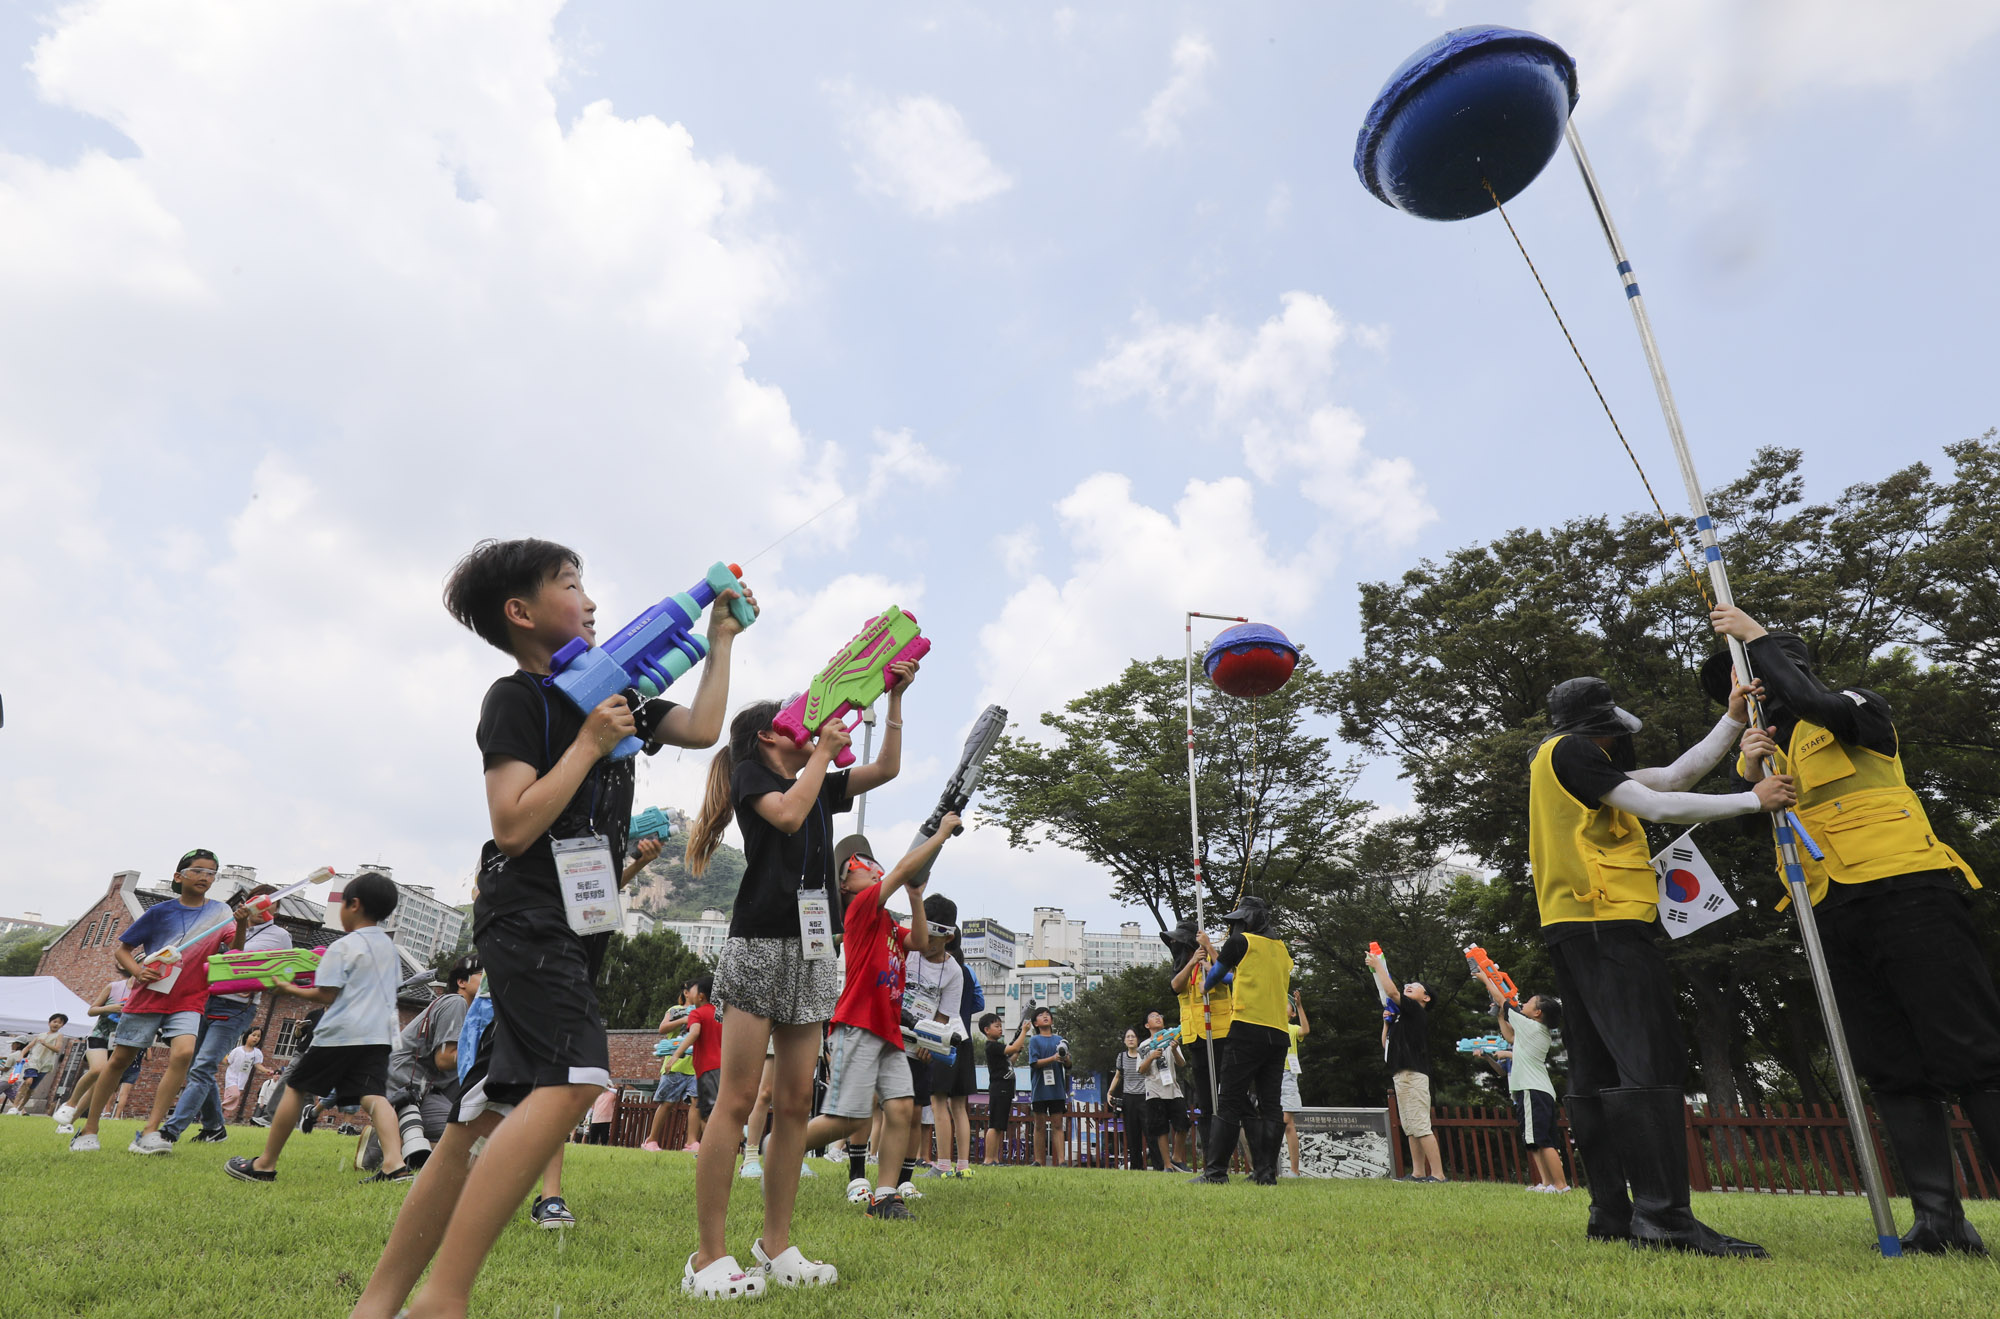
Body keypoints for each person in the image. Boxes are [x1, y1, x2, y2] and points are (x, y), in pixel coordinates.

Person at [346, 539, 751, 1317]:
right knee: (574, 1080)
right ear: (521, 612)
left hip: (577, 923)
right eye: (572, 585)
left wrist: (722, 641)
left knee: (477, 1119)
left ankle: (379, 1302)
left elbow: (702, 727)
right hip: (529, 913)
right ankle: (444, 1300)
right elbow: (512, 823)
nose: (592, 601)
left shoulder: (613, 693)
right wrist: (590, 743)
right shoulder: (519, 698)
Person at [1711, 605, 1999, 1255]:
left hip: (1910, 893)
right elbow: (1752, 824)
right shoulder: (1772, 749)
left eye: (1760, 677)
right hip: (1832, 912)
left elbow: (1817, 700)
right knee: (1892, 1067)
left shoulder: (1854, 704)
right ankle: (1939, 1220)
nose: (1760, 692)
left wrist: (1757, 639)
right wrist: (1749, 765)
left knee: (1975, 1056)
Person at [678, 658, 914, 1299]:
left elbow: (886, 770)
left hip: (814, 952)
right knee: (735, 1101)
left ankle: (775, 1243)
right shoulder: (755, 773)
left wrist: (893, 703)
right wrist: (824, 754)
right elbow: (785, 815)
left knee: (793, 1104)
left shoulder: (817, 777)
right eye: (799, 720)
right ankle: (707, 1256)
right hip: (758, 946)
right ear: (769, 734)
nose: (811, 723)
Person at [1530, 673, 1790, 1257]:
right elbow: (1657, 804)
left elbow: (1674, 777)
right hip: (1609, 923)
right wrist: (1754, 798)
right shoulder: (1574, 752)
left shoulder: (1566, 765)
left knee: (1596, 1069)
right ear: (1601, 726)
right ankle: (1666, 1221)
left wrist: (1729, 719)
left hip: (1574, 926)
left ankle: (1613, 1215)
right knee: (1647, 1060)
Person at [799, 820, 956, 1225]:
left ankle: (885, 1196)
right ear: (845, 884)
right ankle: (780, 1146)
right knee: (848, 1118)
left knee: (902, 1107)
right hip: (857, 1024)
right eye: (859, 862)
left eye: (871, 859)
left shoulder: (886, 920)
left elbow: (920, 942)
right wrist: (938, 837)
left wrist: (916, 896)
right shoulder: (861, 909)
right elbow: (902, 869)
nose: (871, 865)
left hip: (886, 1030)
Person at [224, 871, 406, 1184]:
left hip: (341, 1033)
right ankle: (394, 1165)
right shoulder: (391, 950)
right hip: (378, 1036)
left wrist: (287, 987)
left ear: (354, 905)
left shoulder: (344, 945)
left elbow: (327, 994)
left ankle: (265, 1164)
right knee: (374, 1095)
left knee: (296, 1087)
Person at [72, 849, 253, 1154]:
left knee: (183, 1054)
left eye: (211, 873)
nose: (205, 877)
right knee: (119, 1061)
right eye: (198, 870)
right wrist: (137, 971)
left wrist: (243, 924)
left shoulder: (222, 912)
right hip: (149, 995)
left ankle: (150, 1132)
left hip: (190, 998)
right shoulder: (160, 912)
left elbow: (234, 951)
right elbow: (123, 950)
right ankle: (89, 1129)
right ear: (179, 876)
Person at [163, 881, 295, 1145]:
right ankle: (214, 1128)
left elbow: (262, 967)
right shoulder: (227, 925)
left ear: (276, 909)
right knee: (196, 1067)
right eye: (255, 901)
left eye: (269, 904)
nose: (260, 908)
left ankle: (170, 1130)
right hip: (205, 1000)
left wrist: (259, 980)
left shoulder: (279, 936)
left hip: (236, 1007)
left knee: (202, 1067)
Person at [1189, 896, 1291, 1187]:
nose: (1234, 928)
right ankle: (1266, 1174)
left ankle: (1215, 1173)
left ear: (1246, 921)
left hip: (1247, 1028)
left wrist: (1205, 985)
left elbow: (1220, 972)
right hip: (1278, 1033)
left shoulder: (1240, 942)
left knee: (1229, 1099)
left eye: (1236, 923)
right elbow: (1245, 978)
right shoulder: (1282, 950)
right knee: (1270, 1104)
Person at [361, 955, 481, 1174]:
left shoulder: (471, 1011)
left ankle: (390, 1137)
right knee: (460, 1144)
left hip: (425, 1089)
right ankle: (383, 1143)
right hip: (406, 1087)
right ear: (462, 982)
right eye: (483, 975)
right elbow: (444, 1059)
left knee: (463, 1145)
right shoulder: (456, 1002)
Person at [1472, 968, 1568, 1192]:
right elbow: (1510, 1037)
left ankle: (1561, 1186)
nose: (1523, 1003)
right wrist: (1498, 1014)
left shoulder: (1532, 1026)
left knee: (1543, 1141)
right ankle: (1546, 1184)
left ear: (1538, 1013)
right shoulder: (1532, 1029)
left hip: (1532, 1089)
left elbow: (1503, 999)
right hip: (1532, 1089)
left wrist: (1485, 977)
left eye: (1530, 1002)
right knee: (1534, 1141)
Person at [907, 891, 970, 1181]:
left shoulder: (954, 972)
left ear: (948, 937)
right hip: (888, 1036)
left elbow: (943, 1018)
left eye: (934, 937)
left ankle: (909, 1174)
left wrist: (928, 1044)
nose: (927, 944)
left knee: (915, 1109)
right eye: (923, 933)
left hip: (923, 1047)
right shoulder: (905, 950)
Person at [1367, 947, 1442, 1183]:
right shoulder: (1402, 1015)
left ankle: (1438, 1175)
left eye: (1415, 985)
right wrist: (1386, 1023)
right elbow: (1385, 1044)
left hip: (1414, 1074)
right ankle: (1418, 1173)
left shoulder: (1415, 1010)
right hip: (1401, 1074)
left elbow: (1390, 990)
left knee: (1421, 1124)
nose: (1408, 985)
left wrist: (1378, 966)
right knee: (1410, 1127)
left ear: (1425, 998)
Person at [1165, 918, 1233, 1165]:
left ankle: (1244, 1158)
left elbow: (1232, 976)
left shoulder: (1216, 958)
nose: (1174, 944)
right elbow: (1175, 987)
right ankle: (1210, 1162)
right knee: (1204, 1102)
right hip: (1196, 1038)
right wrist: (1193, 962)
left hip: (1222, 1034)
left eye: (1177, 940)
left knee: (1228, 1098)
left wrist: (1209, 954)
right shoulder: (1182, 965)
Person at [53, 977, 130, 1133]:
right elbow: (91, 1010)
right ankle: (70, 1104)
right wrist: (112, 1008)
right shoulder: (114, 987)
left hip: (121, 1040)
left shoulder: (149, 991)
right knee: (97, 1069)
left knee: (99, 1085)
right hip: (99, 1035)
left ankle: (69, 1122)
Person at [663, 977, 721, 1152]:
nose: (688, 994)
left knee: (706, 1113)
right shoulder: (719, 1013)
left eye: (693, 990)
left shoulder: (697, 1013)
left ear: (701, 996)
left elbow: (694, 1032)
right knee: (713, 1109)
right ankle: (710, 1148)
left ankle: (711, 1151)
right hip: (722, 1067)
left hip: (707, 1069)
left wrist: (675, 1055)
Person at [642, 991, 696, 1152]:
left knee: (697, 1103)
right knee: (667, 1104)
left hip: (697, 1066)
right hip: (675, 1066)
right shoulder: (675, 1009)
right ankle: (651, 1140)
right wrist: (685, 1019)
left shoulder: (704, 1010)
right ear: (686, 992)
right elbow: (662, 1028)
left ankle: (691, 1143)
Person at [1140, 1010, 1191, 1172]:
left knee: (1183, 1124)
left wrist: (1175, 1049)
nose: (1158, 1018)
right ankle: (1167, 1165)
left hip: (1173, 1088)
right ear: (1147, 1025)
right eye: (1153, 1016)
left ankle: (1176, 1158)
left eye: (1160, 1016)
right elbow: (1141, 1070)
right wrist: (1151, 1056)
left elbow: (1182, 1063)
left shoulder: (1170, 1039)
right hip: (1154, 1089)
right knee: (1161, 1128)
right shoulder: (1144, 1045)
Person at [1024, 1007, 1070, 1166]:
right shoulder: (1034, 1040)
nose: (1045, 1017)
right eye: (1040, 1016)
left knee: (1058, 1124)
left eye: (1047, 1015)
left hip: (1057, 1088)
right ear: (1035, 1023)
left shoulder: (1060, 1039)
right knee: (1039, 1125)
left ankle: (1062, 1160)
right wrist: (1053, 1058)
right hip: (1040, 1089)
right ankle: (1038, 1160)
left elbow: (1069, 1064)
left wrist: (1065, 1058)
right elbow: (1034, 1063)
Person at [979, 1013, 1020, 1166]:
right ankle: (988, 1159)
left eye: (1000, 1026)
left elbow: (1010, 1062)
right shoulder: (993, 1046)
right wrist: (1024, 1032)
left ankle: (995, 1159)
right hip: (999, 1088)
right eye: (996, 1026)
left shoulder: (997, 1048)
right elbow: (1013, 1047)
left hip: (1005, 1088)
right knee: (994, 1124)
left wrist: (1017, 1051)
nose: (1000, 1029)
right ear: (986, 1030)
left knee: (1000, 1125)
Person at [8, 1014, 68, 1115]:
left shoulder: (59, 1036)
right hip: (33, 1062)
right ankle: (14, 1107)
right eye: (54, 1021)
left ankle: (20, 1108)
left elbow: (57, 1049)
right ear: (49, 1023)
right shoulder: (40, 1035)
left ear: (62, 1025)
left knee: (31, 1089)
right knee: (28, 1082)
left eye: (59, 1022)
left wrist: (45, 1044)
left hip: (45, 1065)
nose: (56, 1024)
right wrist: (21, 1056)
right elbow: (27, 1047)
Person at [1107, 1028, 1148, 1171]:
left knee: (1149, 1132)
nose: (1130, 1039)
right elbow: (1118, 1076)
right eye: (1128, 1036)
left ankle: (1158, 1164)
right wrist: (1110, 1092)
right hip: (1128, 1098)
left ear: (1138, 1039)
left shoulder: (1144, 1054)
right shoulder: (1122, 1056)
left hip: (1144, 1096)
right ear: (1124, 1040)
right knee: (1132, 1134)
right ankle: (1136, 1166)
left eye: (1133, 1036)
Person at [1281, 990, 1310, 1177]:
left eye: (1287, 1004)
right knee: (1276, 1122)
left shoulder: (1291, 1029)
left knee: (1287, 1122)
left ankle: (1294, 1170)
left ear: (1292, 1014)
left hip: (1287, 1075)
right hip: (1270, 1076)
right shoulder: (1270, 1027)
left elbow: (1305, 1030)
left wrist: (1299, 1006)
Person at [221, 1028, 268, 1114]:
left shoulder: (257, 1053)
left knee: (233, 1100)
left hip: (242, 1080)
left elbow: (258, 1065)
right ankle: (219, 1107)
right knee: (235, 1095)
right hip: (231, 1078)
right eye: (253, 1035)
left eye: (258, 1036)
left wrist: (266, 1071)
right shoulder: (237, 1050)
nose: (256, 1038)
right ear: (247, 1037)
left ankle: (220, 1115)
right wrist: (220, 1054)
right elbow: (227, 1062)